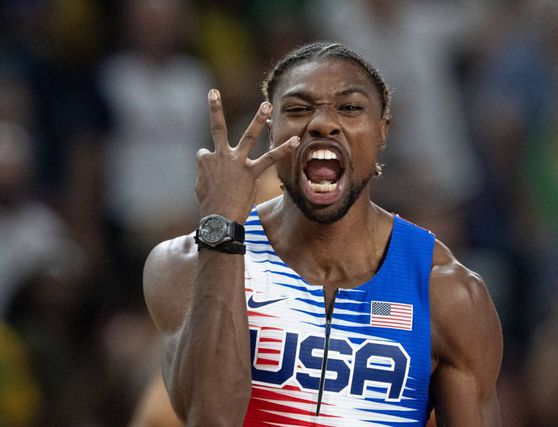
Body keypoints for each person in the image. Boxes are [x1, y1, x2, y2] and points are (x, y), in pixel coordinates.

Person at [143, 42, 503, 426]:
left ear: (382, 131)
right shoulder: (187, 263)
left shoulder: (446, 292)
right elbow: (212, 419)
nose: (322, 123)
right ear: (272, 133)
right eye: (298, 109)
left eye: (349, 108)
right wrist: (222, 225)